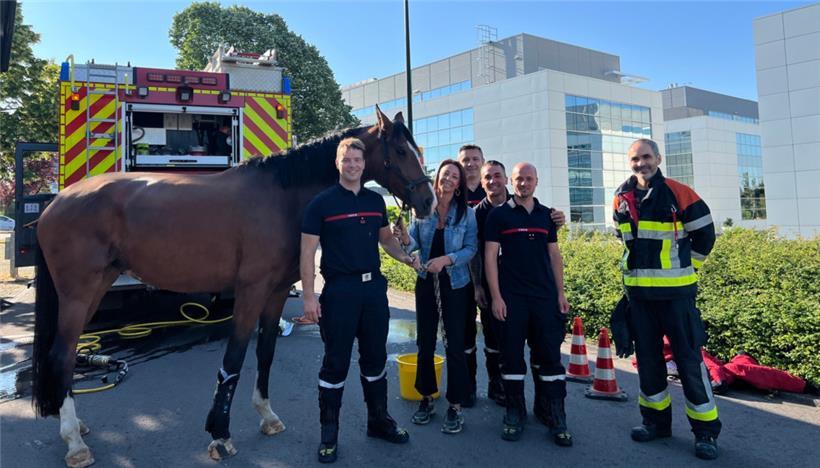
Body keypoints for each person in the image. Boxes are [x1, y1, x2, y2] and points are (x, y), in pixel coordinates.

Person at [300, 137, 413, 463]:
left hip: (373, 292)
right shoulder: (321, 204)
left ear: (365, 165)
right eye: (346, 160)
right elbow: (307, 252)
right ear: (338, 164)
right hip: (339, 293)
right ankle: (329, 433)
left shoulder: (376, 202)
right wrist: (309, 298)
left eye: (358, 161)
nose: (352, 165)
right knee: (335, 364)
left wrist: (406, 258)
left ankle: (379, 421)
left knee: (375, 360)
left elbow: (387, 242)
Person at [613, 138, 720, 460]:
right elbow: (624, 240)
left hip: (676, 297)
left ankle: (705, 433)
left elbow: (706, 234)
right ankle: (655, 422)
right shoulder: (621, 196)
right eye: (635, 158)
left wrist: (689, 268)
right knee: (648, 362)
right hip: (640, 298)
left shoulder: (679, 193)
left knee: (689, 362)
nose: (641, 163)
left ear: (658, 158)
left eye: (646, 157)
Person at [484, 162, 573, 447]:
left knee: (550, 358)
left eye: (529, 179)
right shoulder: (498, 216)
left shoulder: (548, 215)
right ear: (512, 182)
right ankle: (514, 412)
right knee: (511, 358)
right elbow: (489, 258)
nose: (523, 183)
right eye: (519, 179)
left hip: (545, 298)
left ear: (537, 181)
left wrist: (561, 293)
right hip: (512, 299)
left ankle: (556, 416)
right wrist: (496, 297)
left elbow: (554, 255)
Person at [394, 159, 477, 434]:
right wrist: (405, 238)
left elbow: (471, 249)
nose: (449, 179)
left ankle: (455, 404)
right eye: (445, 174)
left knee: (454, 344)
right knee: (425, 342)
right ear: (437, 177)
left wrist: (446, 260)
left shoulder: (467, 213)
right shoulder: (423, 209)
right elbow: (414, 243)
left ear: (459, 183)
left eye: (455, 176)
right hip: (426, 283)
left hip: (456, 285)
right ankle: (426, 397)